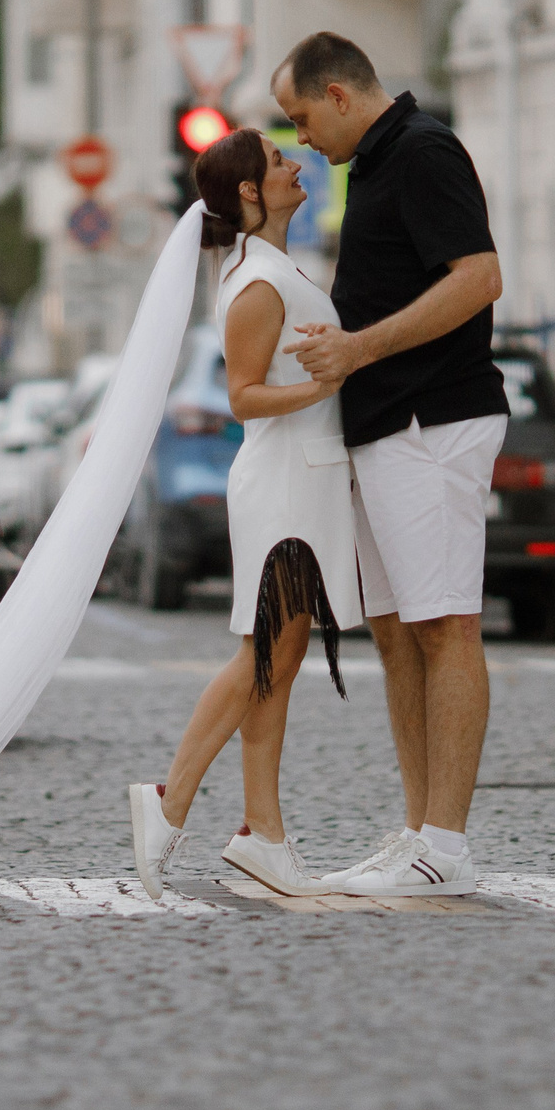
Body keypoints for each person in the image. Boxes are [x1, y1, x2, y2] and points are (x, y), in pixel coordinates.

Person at [273, 32, 506, 897]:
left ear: (339, 95)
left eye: (302, 118)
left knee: (445, 625)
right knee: (398, 630)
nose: (301, 139)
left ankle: (446, 846)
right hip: (383, 425)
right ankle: (418, 833)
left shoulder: (422, 150)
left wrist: (360, 348)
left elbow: (479, 277)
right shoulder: (371, 164)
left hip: (431, 420)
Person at [128, 129, 358, 900]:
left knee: (277, 662)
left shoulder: (274, 268)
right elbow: (243, 396)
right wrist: (326, 386)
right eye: (280, 161)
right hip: (285, 482)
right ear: (252, 191)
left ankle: (264, 833)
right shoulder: (258, 281)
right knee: (261, 656)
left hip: (305, 479)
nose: (298, 165)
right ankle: (170, 799)